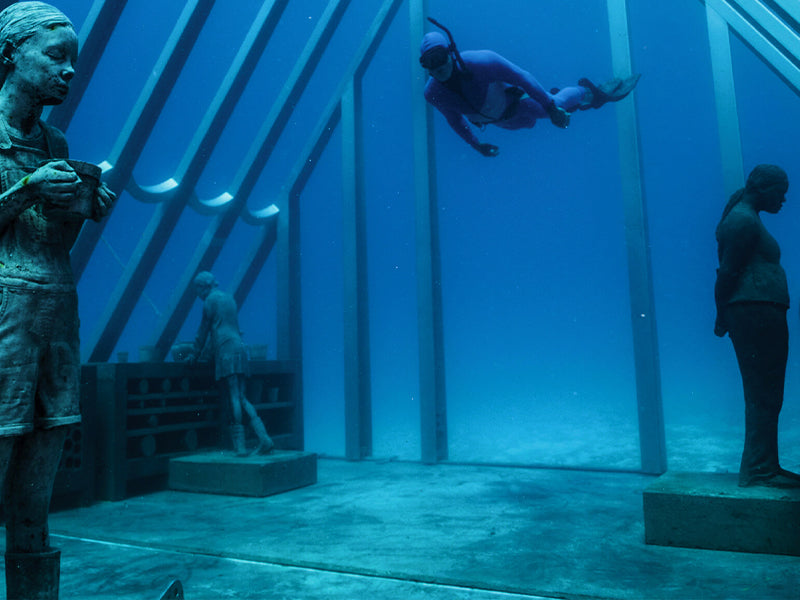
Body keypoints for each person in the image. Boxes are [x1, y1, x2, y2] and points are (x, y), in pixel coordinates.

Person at [0, 2, 116, 597]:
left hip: (55, 310)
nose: (69, 71)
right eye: (55, 56)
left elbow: (49, 242)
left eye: (74, 60)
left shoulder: (55, 140)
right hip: (4, 314)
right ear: (9, 55)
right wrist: (25, 188)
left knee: (44, 456)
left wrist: (82, 206)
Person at [419, 25, 640, 157]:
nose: (437, 67)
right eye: (429, 63)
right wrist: (476, 145)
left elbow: (522, 77)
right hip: (501, 121)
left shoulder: (481, 62)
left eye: (439, 57)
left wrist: (550, 107)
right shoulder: (433, 94)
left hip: (517, 102)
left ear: (451, 53)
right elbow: (454, 119)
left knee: (547, 109)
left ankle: (590, 92)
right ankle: (567, 100)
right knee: (527, 124)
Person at [714, 164, 800, 488]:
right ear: (762, 188)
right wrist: (722, 314)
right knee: (762, 392)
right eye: (782, 190)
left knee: (768, 393)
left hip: (761, 311)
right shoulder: (742, 221)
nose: (785, 198)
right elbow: (727, 274)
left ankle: (766, 464)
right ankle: (758, 469)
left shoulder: (748, 218)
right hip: (754, 311)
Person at [186, 271, 274, 456]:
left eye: (198, 290)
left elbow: (204, 332)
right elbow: (224, 326)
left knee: (233, 397)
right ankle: (264, 438)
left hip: (226, 351)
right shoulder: (229, 298)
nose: (198, 295)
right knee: (241, 396)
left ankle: (240, 447)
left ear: (204, 287)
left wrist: (194, 355)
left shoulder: (209, 301)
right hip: (239, 347)